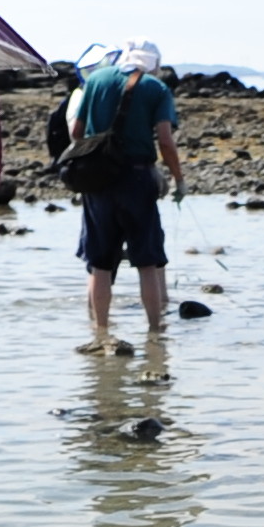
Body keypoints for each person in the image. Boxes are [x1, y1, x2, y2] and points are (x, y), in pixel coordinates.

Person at [65, 47, 184, 345]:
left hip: (98, 179)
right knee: (147, 261)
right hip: (137, 178)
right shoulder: (156, 88)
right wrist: (179, 180)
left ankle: (101, 334)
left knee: (100, 263)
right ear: (154, 64)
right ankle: (155, 334)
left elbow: (77, 132)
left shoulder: (96, 80)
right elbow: (166, 142)